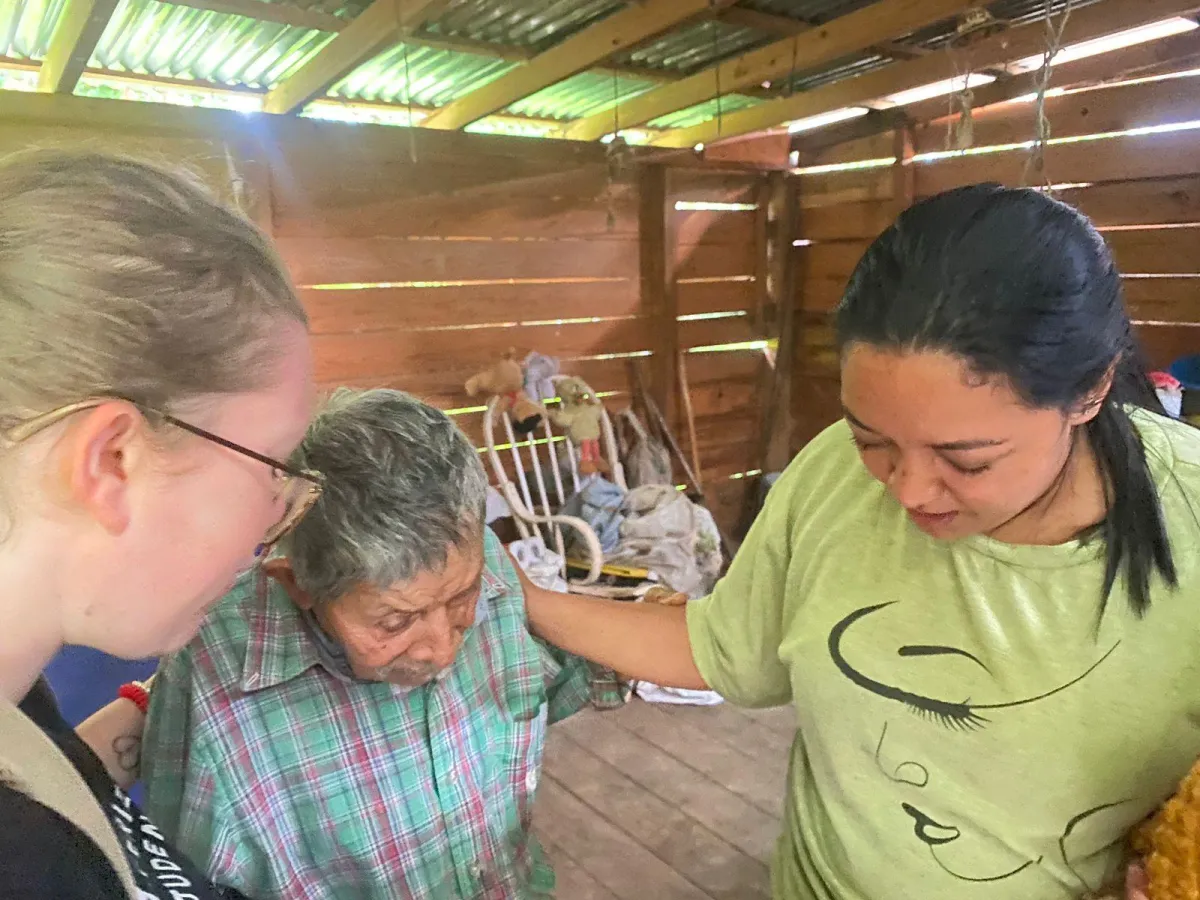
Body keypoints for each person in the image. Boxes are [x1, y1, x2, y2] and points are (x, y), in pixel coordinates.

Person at [520, 184, 1200, 900]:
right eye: (871, 439)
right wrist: (530, 600)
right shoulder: (830, 477)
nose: (905, 491)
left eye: (965, 460)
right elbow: (727, 646)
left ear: (1090, 393)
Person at [0, 151, 318, 900]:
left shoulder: (21, 690)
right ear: (112, 460)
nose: (281, 510)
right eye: (271, 465)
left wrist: (152, 710)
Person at [142, 388, 596, 899]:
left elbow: (549, 679)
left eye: (463, 599)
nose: (443, 651)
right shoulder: (217, 678)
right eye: (396, 622)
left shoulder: (470, 559)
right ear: (300, 586)